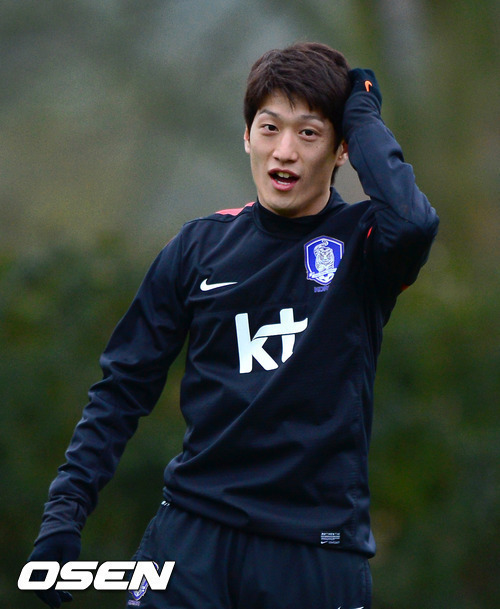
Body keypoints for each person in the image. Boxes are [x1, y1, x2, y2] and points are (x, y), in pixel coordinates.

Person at [26, 42, 439, 609]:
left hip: (313, 554)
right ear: (247, 136)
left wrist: (362, 112)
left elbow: (413, 222)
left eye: (309, 133)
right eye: (269, 128)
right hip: (191, 541)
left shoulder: (364, 244)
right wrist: (63, 515)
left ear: (342, 147)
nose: (284, 151)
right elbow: (120, 391)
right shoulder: (198, 247)